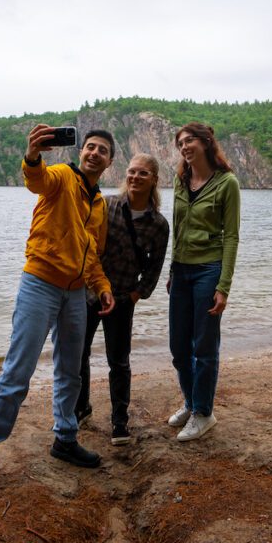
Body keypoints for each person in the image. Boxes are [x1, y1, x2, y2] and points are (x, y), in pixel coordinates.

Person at [0, 125, 116, 503]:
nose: (95, 153)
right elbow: (36, 180)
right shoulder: (62, 177)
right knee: (18, 370)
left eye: (103, 150)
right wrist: (33, 156)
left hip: (76, 294)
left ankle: (65, 439)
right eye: (90, 147)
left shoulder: (98, 203)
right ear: (81, 152)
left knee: (71, 371)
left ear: (110, 161)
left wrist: (102, 288)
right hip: (40, 284)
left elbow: (92, 255)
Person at [76, 154, 170, 446]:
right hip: (91, 293)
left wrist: (136, 294)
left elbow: (155, 269)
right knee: (80, 354)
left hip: (123, 298)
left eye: (143, 173)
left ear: (154, 179)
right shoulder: (108, 205)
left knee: (119, 361)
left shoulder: (158, 224)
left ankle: (119, 421)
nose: (135, 177)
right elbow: (87, 244)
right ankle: (81, 408)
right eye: (132, 172)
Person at [166, 122, 240, 442]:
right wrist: (171, 269)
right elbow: (177, 228)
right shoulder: (180, 181)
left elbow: (232, 237)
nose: (184, 146)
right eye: (180, 142)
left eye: (189, 140)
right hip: (181, 271)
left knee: (204, 348)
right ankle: (191, 402)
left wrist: (223, 286)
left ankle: (203, 413)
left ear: (206, 142)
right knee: (178, 349)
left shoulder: (227, 183)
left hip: (209, 270)